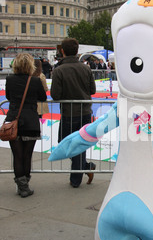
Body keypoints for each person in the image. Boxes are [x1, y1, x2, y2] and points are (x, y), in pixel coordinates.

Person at [50, 38, 96, 188]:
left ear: (62, 51)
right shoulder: (86, 68)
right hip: (85, 111)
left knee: (67, 143)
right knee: (78, 144)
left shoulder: (58, 70)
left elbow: (55, 95)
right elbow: (92, 90)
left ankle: (76, 178)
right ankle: (85, 167)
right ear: (77, 51)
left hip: (69, 113)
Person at [5, 53, 47, 197]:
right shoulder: (34, 81)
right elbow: (43, 97)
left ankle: (21, 186)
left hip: (13, 121)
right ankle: (25, 185)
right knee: (27, 156)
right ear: (30, 66)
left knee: (17, 156)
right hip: (31, 122)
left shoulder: (9, 80)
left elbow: (8, 97)